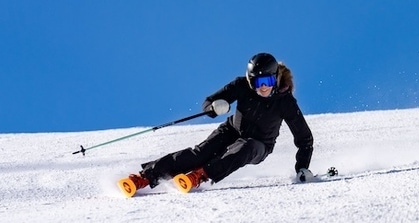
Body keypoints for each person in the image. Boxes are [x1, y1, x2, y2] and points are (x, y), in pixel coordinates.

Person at [118, 52, 314, 197]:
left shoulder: (285, 102)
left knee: (245, 148)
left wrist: (302, 167)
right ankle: (145, 177)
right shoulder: (241, 86)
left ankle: (200, 176)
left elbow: (304, 139)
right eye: (257, 82)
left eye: (268, 80)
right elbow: (209, 101)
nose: (263, 87)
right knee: (199, 154)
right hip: (232, 130)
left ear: (276, 78)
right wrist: (214, 107)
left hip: (260, 144)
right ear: (250, 80)